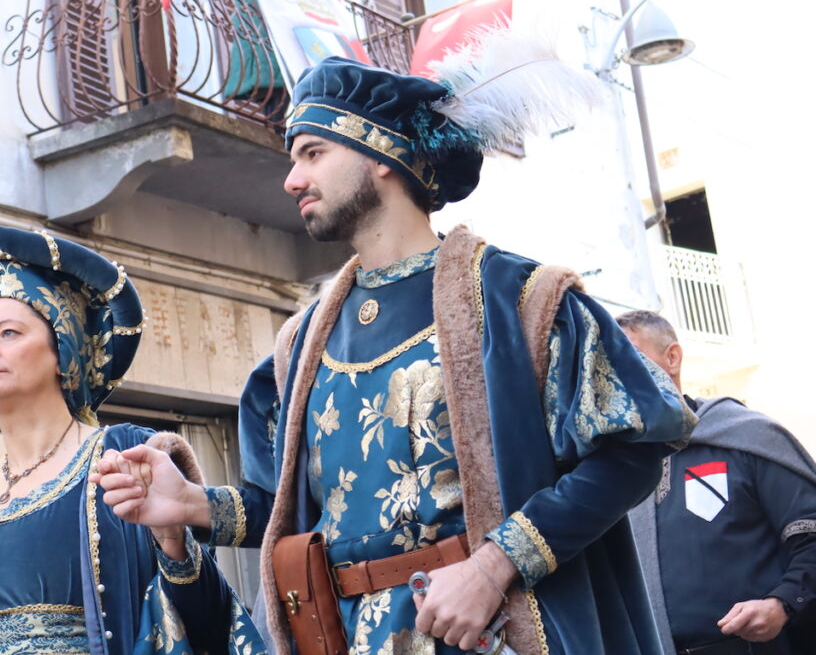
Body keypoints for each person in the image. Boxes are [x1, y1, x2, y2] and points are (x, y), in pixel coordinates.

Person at [95, 50, 698, 653]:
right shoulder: (299, 344)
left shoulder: (522, 301)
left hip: (485, 634)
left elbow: (634, 448)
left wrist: (493, 568)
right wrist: (194, 504)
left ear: (380, 153)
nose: (292, 180)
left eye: (313, 153)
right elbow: (286, 509)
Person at [0, 224, 263, 654]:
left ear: (63, 351)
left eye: (8, 333)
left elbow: (209, 627)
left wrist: (174, 544)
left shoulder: (123, 458)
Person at [620, 310, 816, 655]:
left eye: (629, 354)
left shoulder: (748, 437)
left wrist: (782, 604)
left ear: (672, 358)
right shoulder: (613, 469)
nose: (617, 372)